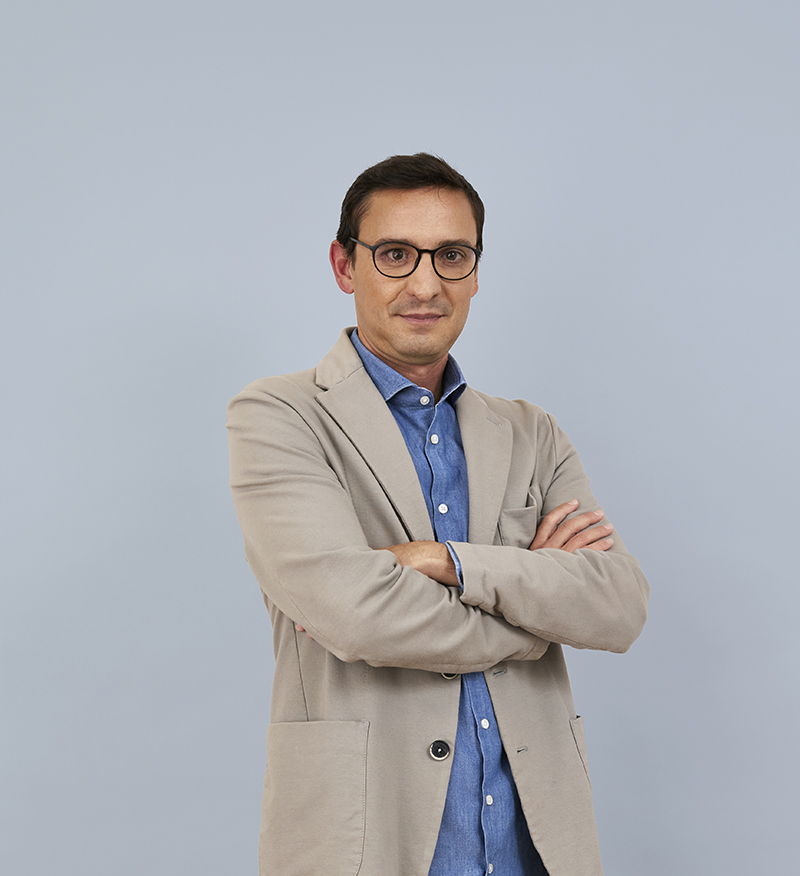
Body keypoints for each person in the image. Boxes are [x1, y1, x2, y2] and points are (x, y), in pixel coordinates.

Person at [227, 153, 649, 876]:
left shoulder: (532, 432)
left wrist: (445, 562)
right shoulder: (279, 416)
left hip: (535, 847)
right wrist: (536, 609)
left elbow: (618, 607)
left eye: (451, 255)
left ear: (476, 272)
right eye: (395, 254)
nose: (426, 284)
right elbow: (357, 615)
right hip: (366, 839)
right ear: (344, 265)